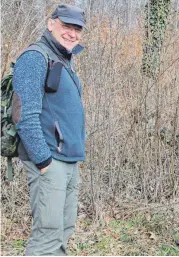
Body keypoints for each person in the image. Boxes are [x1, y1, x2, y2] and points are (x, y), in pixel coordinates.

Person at [12, 3, 87, 255]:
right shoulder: (35, 57)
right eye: (67, 26)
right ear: (51, 23)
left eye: (77, 29)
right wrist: (44, 160)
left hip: (68, 160)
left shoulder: (64, 60)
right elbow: (24, 115)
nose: (72, 33)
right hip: (49, 161)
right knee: (46, 238)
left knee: (64, 231)